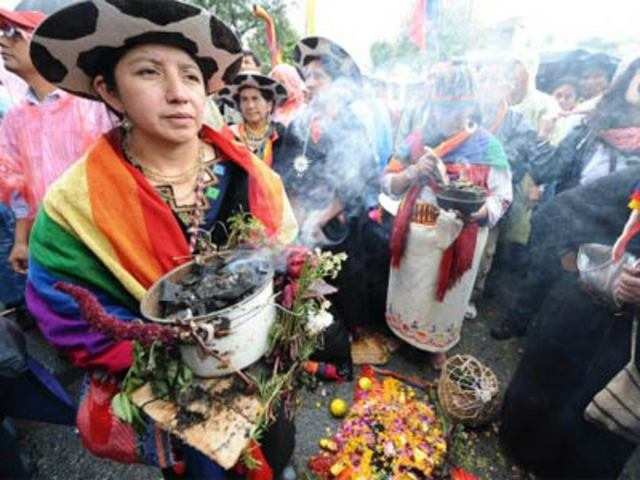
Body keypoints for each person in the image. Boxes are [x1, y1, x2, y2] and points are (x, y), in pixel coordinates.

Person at [25, 0, 297, 477]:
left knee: (274, 445)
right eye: (149, 73)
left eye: (191, 76)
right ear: (109, 90)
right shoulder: (76, 203)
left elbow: (287, 252)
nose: (178, 93)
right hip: (176, 396)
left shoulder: (249, 174)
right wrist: (166, 349)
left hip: (259, 366)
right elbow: (60, 303)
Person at [500, 166, 640, 479]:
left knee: (588, 438)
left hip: (624, 351)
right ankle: (521, 458)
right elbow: (559, 211)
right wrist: (571, 260)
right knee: (538, 399)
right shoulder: (634, 180)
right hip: (576, 314)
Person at [493, 59, 640, 340]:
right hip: (569, 227)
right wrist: (544, 136)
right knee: (540, 280)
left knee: (583, 316)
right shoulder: (591, 128)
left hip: (614, 246)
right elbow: (545, 170)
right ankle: (517, 325)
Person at [380, 61, 512, 369]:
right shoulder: (416, 140)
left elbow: (503, 197)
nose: (446, 117)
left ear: (470, 108)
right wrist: (413, 172)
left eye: (455, 109)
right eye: (440, 109)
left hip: (463, 232)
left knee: (447, 295)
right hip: (418, 226)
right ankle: (405, 332)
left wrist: (479, 211)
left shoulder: (487, 146)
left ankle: (437, 344)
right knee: (412, 285)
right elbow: (388, 182)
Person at [275, 36, 377, 358]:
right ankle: (312, 340)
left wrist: (321, 217)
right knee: (304, 283)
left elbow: (355, 183)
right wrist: (296, 216)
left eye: (319, 77)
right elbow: (287, 173)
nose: (310, 84)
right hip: (305, 219)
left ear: (339, 85)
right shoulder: (299, 124)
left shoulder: (352, 126)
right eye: (307, 77)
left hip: (337, 224)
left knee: (343, 283)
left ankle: (344, 337)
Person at [0, 7, 113, 277]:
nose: (3, 42)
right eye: (2, 33)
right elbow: (18, 188)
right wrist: (21, 242)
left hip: (103, 234)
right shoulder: (14, 121)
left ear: (46, 47)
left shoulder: (93, 104)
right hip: (49, 241)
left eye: (14, 34)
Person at [218, 72, 288, 165]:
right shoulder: (228, 134)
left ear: (269, 105)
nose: (250, 106)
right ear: (239, 106)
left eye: (255, 99)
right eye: (244, 99)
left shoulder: (280, 135)